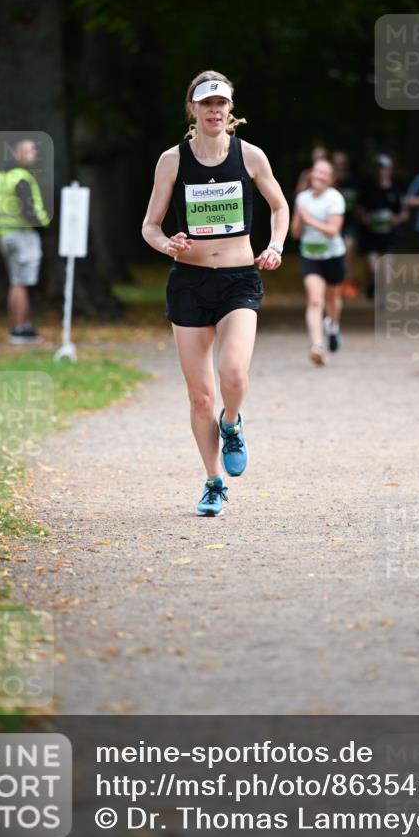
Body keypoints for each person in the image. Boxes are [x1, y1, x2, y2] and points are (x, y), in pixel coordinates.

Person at [142, 70, 288, 517]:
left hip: (239, 279)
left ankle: (233, 424)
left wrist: (276, 246)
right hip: (188, 283)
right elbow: (149, 226)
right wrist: (167, 243)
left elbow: (280, 207)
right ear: (193, 109)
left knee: (233, 375)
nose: (214, 110)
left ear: (230, 108)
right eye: (206, 103)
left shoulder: (251, 156)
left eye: (221, 103)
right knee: (200, 395)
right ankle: (213, 482)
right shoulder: (172, 160)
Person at [0, 138, 51, 344]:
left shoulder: (2, 177)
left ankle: (21, 326)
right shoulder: (21, 177)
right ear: (17, 153)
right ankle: (19, 329)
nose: (34, 153)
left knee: (15, 283)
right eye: (29, 150)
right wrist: (43, 224)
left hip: (5, 235)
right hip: (22, 235)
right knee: (21, 284)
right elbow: (28, 208)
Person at [290, 158, 346, 365]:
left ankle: (333, 325)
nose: (320, 176)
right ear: (311, 174)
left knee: (333, 301)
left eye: (325, 173)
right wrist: (298, 218)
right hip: (310, 256)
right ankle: (317, 346)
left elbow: (333, 231)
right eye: (317, 172)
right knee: (315, 300)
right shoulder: (302, 198)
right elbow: (295, 233)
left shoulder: (335, 199)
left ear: (330, 179)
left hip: (333, 256)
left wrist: (309, 219)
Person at [357, 154, 408, 299]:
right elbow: (359, 208)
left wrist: (397, 219)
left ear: (391, 169)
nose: (381, 171)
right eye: (379, 168)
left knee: (387, 268)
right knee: (373, 267)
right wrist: (363, 217)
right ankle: (373, 285)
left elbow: (405, 212)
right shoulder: (368, 187)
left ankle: (386, 298)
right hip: (371, 235)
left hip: (390, 235)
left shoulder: (398, 187)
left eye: (384, 168)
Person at [332, 150, 360, 299]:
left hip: (349, 222)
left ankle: (348, 283)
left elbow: (359, 203)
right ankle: (334, 283)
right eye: (338, 163)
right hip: (331, 223)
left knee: (349, 249)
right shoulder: (329, 181)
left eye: (343, 163)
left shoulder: (354, 181)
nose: (340, 166)